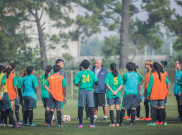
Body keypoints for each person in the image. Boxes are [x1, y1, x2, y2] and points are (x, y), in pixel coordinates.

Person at [74, 60, 98, 128]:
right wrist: (93, 88)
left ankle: (80, 124)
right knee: (91, 107)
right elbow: (96, 82)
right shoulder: (92, 73)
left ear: (81, 66)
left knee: (81, 106)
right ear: (88, 66)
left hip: (82, 90)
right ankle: (91, 124)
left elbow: (76, 82)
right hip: (90, 91)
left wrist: (80, 86)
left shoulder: (79, 73)